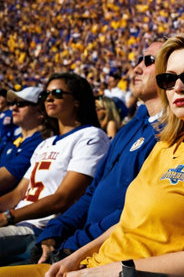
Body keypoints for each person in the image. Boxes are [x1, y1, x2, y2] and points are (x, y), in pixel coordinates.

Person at [3, 32, 184, 276]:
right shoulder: (165, 145)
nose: (178, 88)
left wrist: (100, 272)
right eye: (168, 79)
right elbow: (127, 223)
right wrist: (76, 256)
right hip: (95, 264)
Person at [28, 42, 164, 266]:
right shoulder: (129, 129)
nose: (137, 68)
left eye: (149, 61)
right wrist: (55, 232)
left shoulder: (169, 132)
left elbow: (138, 211)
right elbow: (92, 192)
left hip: (112, 254)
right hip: (80, 244)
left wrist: (76, 243)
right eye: (138, 60)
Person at [0, 73, 110, 265]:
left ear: (76, 100)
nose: (49, 98)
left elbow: (64, 198)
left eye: (57, 93)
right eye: (45, 95)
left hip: (42, 229)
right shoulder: (46, 143)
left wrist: (8, 217)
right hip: (18, 222)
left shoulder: (91, 136)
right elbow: (18, 193)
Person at [0, 87, 45, 195]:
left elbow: (6, 179)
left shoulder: (40, 143)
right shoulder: (19, 138)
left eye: (21, 104)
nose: (14, 108)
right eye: (14, 103)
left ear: (40, 112)